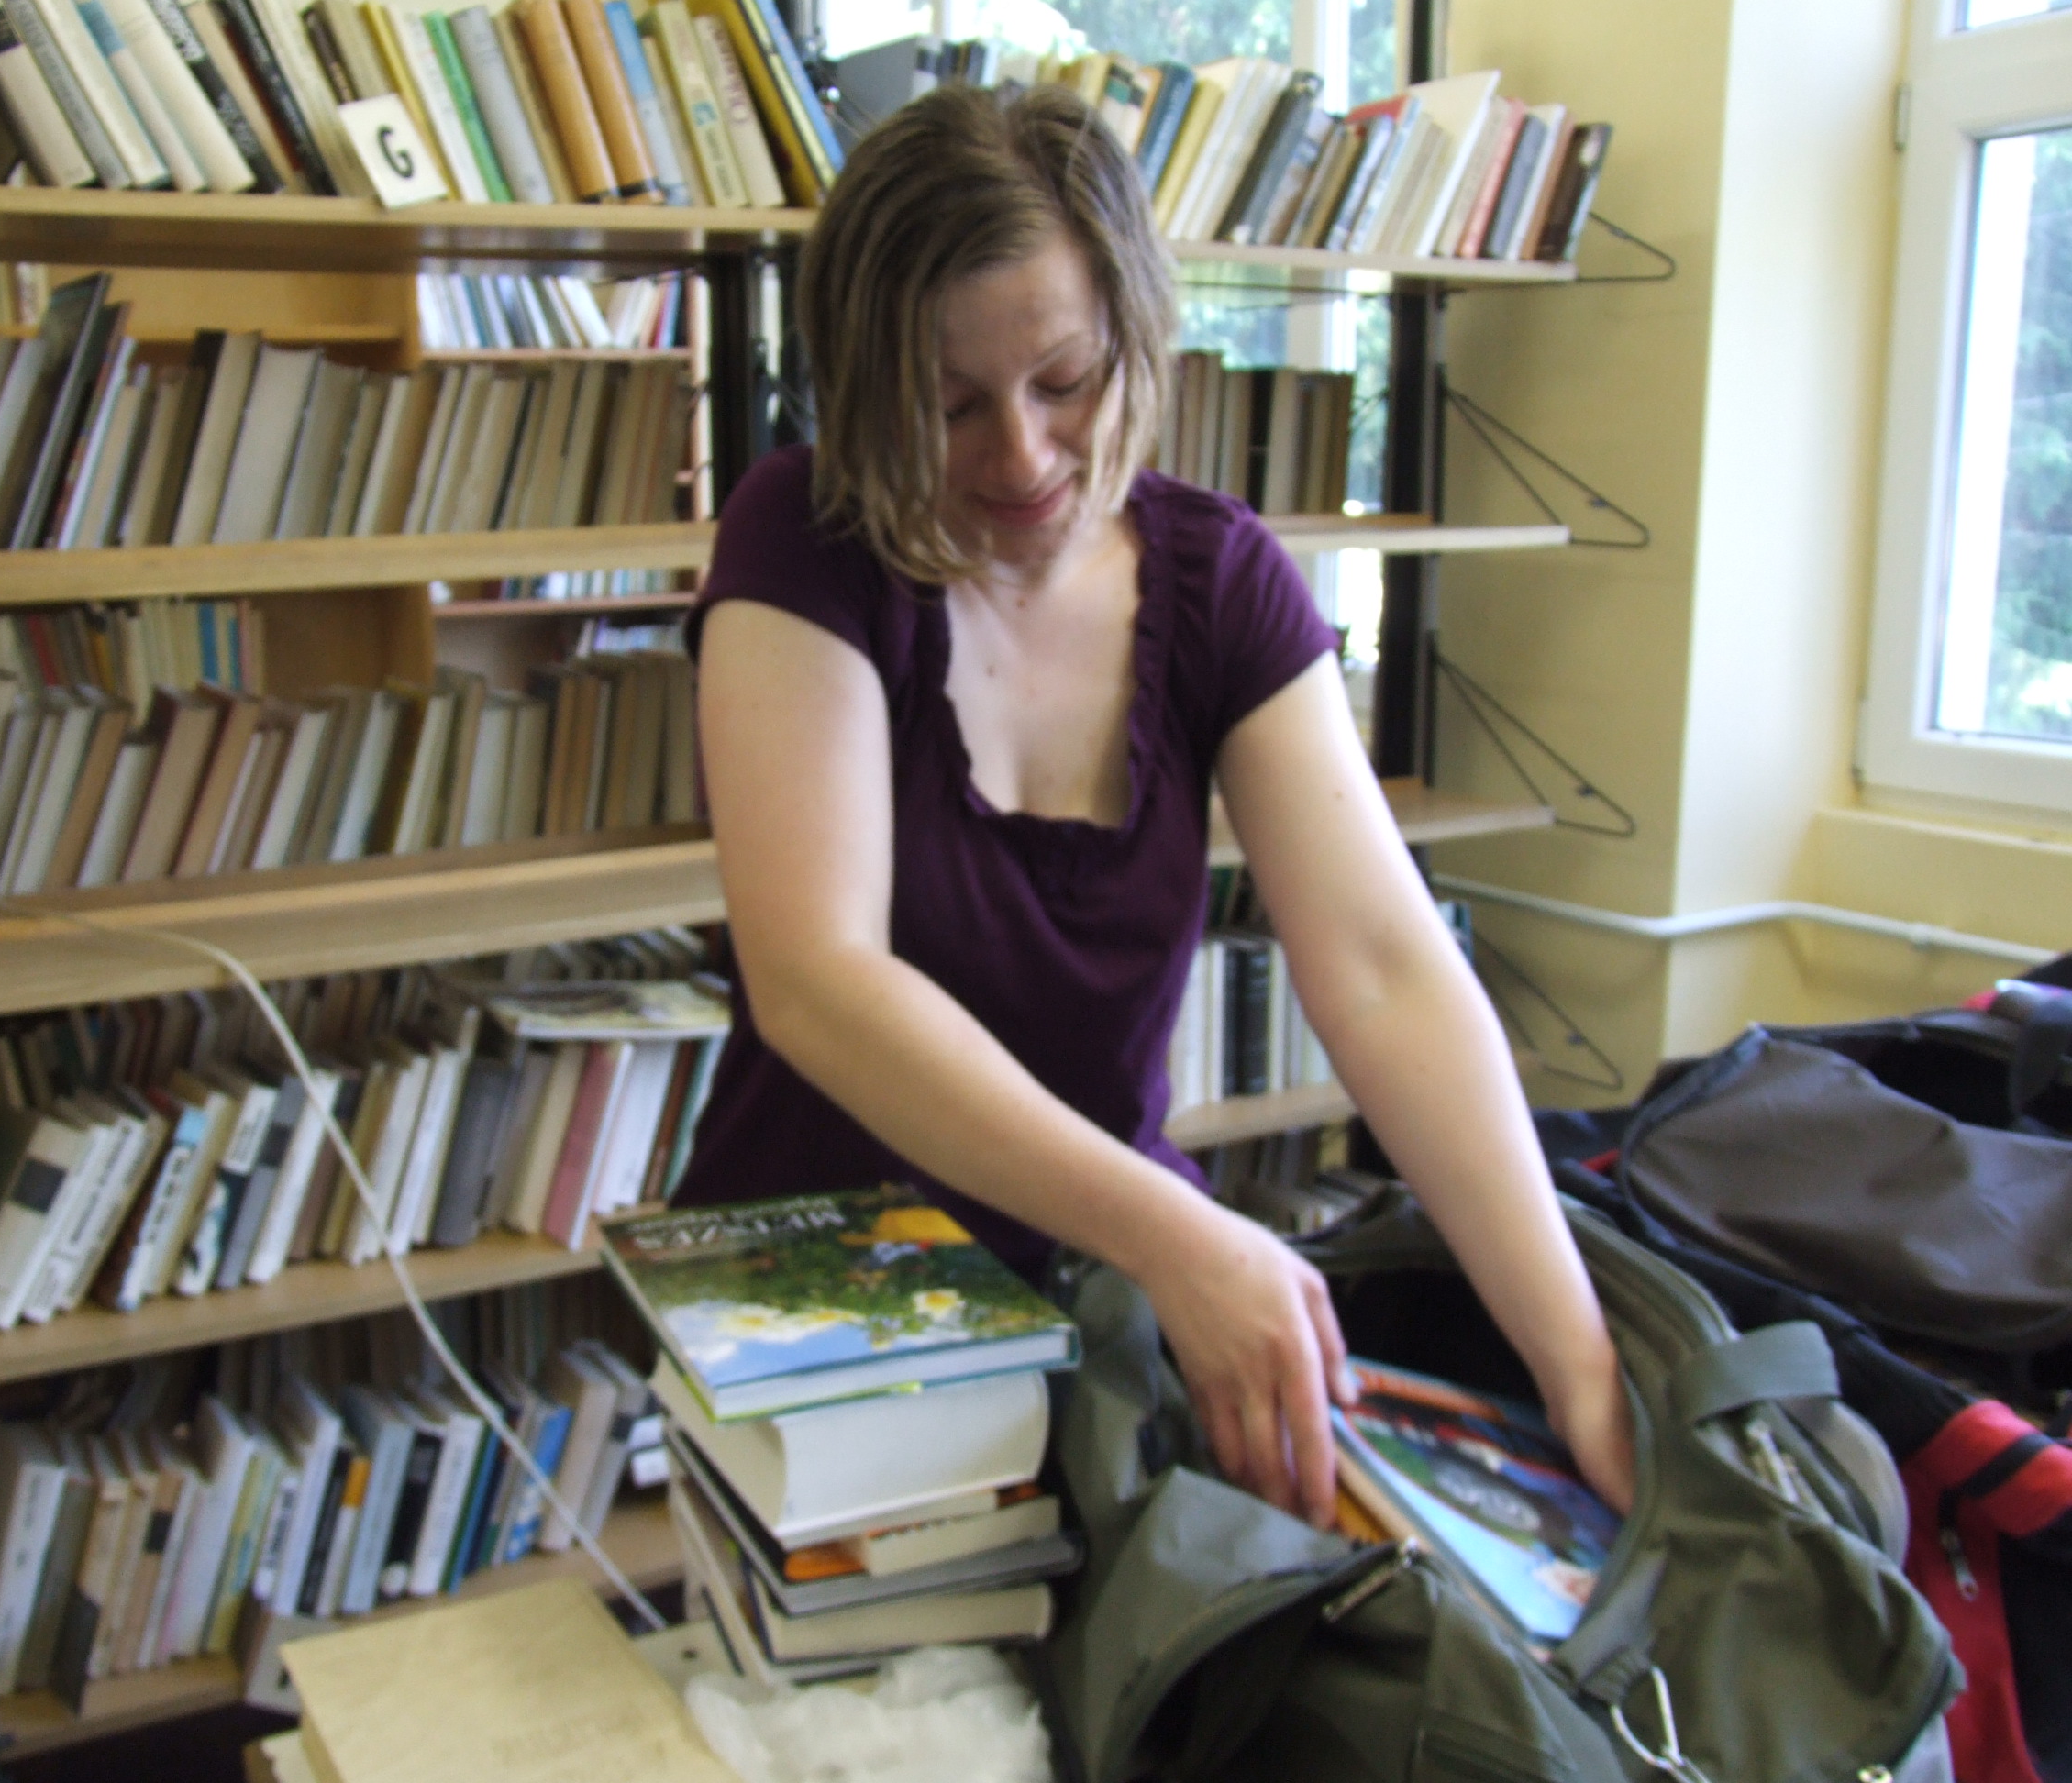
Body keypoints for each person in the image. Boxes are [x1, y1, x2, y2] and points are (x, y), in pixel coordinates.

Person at [667, 82, 1635, 1525]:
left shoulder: (1225, 580)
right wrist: (1181, 1237)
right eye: (948, 405)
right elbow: (820, 981)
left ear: (1138, 331)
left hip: (1094, 1297)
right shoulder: (802, 537)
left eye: (1064, 382)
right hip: (819, 1311)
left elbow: (1385, 970)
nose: (1019, 456)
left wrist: (1581, 1365)